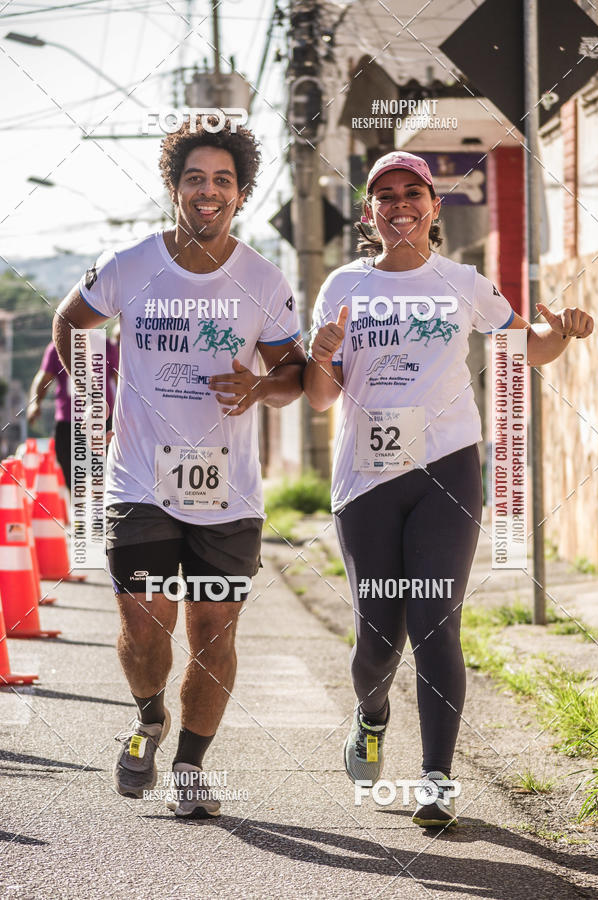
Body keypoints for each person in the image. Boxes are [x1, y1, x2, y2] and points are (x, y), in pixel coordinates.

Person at [304, 150, 594, 828]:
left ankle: (437, 779)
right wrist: (320, 354)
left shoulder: (465, 282)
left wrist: (563, 334)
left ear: (434, 207)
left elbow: (529, 348)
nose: (399, 204)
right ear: (369, 211)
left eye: (413, 192)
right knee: (379, 635)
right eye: (385, 195)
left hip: (449, 469)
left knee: (436, 622)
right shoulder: (343, 286)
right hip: (367, 478)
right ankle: (372, 715)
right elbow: (321, 397)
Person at [52, 117, 305, 818]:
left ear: (241, 193)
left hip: (229, 494)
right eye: (195, 177)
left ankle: (191, 765)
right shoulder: (131, 263)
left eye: (223, 180)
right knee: (143, 628)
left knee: (213, 636)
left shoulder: (261, 279)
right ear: (173, 186)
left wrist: (259, 386)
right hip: (140, 482)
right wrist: (96, 405)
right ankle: (148, 718)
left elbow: (293, 372)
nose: (208, 191)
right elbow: (72, 322)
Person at [27, 332, 119, 491]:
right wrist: (35, 403)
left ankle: (98, 509)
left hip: (100, 421)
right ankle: (78, 507)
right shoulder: (58, 347)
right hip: (68, 422)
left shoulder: (106, 345)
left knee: (101, 471)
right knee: (71, 473)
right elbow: (43, 378)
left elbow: (120, 380)